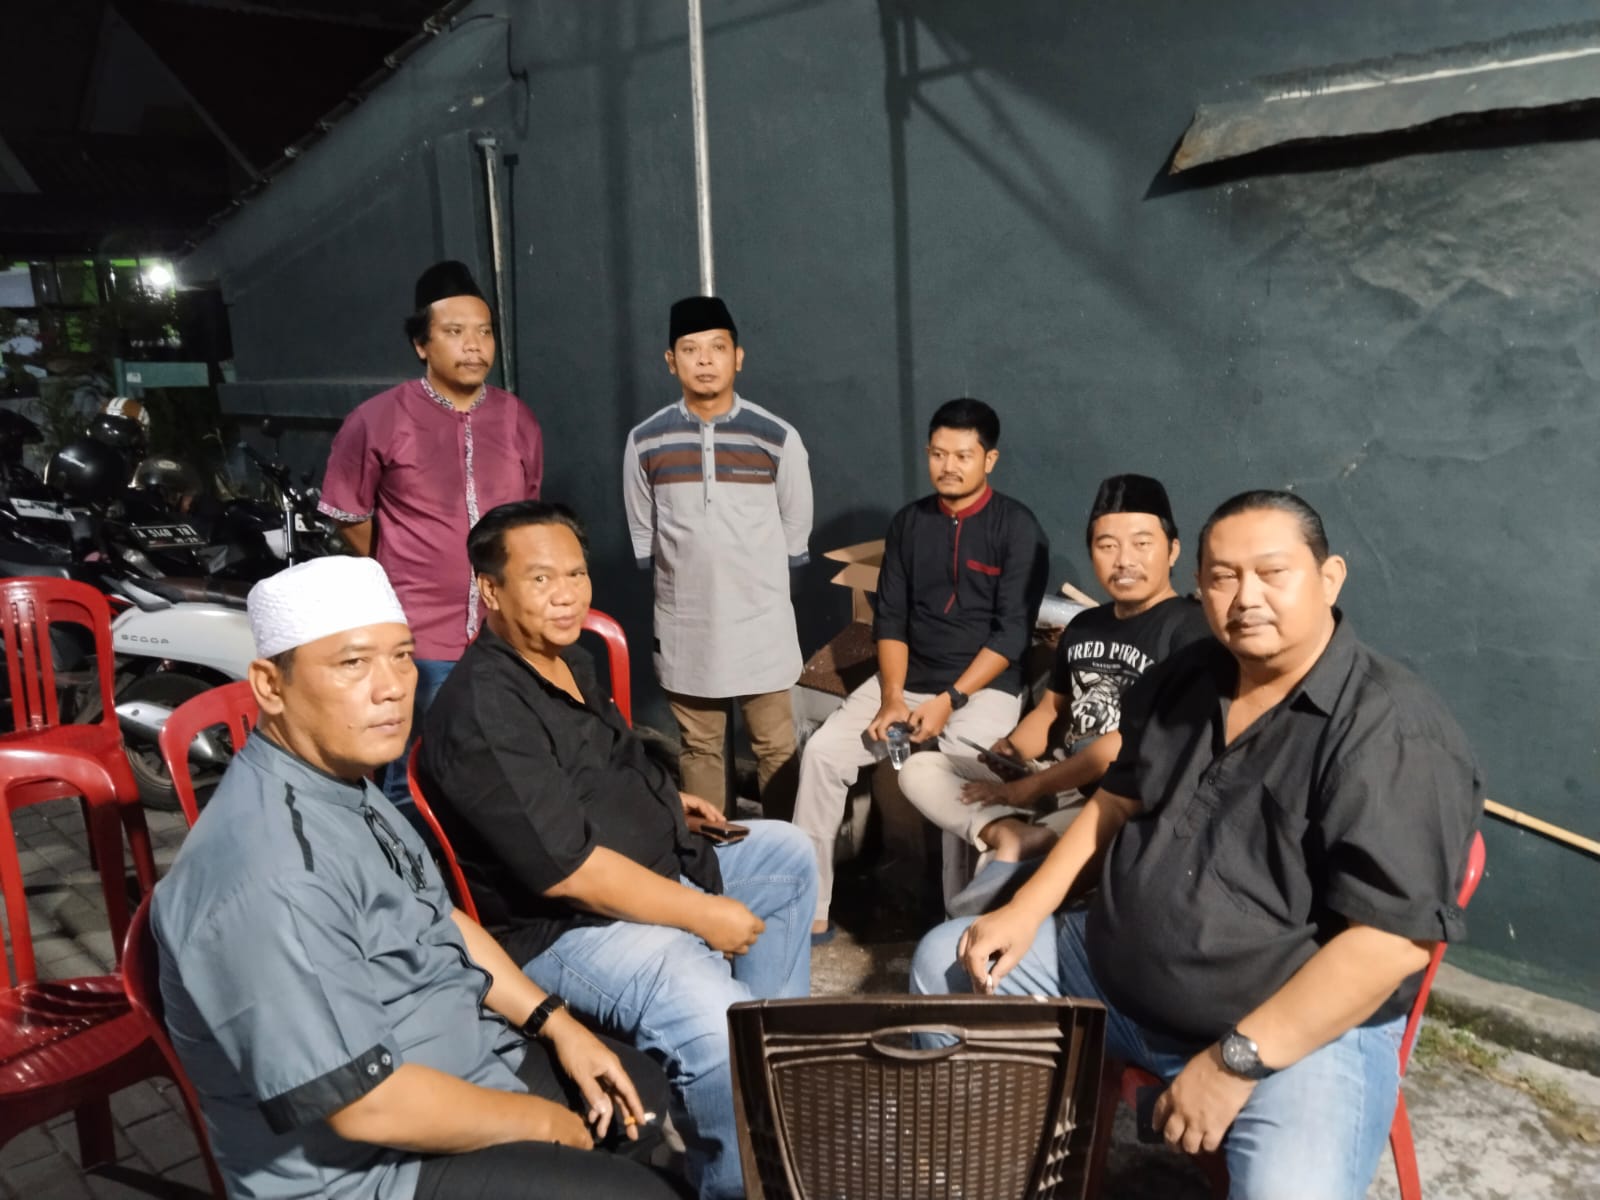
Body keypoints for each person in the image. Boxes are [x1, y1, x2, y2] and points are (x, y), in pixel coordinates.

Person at [911, 490, 1482, 1200]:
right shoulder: (1185, 676)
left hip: (1291, 1031)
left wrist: (1237, 1060)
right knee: (945, 961)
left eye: (1272, 573)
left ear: (1329, 578)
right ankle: (1003, 1168)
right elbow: (1115, 802)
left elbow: (1392, 943)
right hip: (1110, 972)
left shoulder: (1391, 730)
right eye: (1223, 577)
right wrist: (1026, 910)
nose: (1247, 598)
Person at [152, 556, 683, 1200]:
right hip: (371, 1168)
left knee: (639, 1095)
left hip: (464, 1057)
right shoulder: (269, 876)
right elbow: (366, 1106)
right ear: (270, 685)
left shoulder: (342, 779)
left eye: (402, 656)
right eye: (352, 663)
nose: (392, 688)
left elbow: (438, 917)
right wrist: (547, 1125)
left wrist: (558, 1024)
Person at [418, 501, 818, 1200]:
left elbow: (610, 761)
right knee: (713, 1022)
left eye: (575, 574)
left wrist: (667, 800)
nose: (566, 594)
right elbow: (568, 872)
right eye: (540, 579)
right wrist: (702, 916)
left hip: (653, 861)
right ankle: (735, 1165)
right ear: (491, 591)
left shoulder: (567, 659)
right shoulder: (484, 709)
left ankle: (768, 1076)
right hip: (568, 928)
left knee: (786, 854)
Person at [791, 397, 1049, 939]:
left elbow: (1011, 636)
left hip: (984, 688)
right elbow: (891, 620)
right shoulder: (909, 524)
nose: (948, 466)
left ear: (990, 459)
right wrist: (892, 698)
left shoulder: (1018, 528)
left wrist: (949, 701)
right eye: (937, 453)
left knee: (955, 770)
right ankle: (808, 912)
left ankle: (959, 923)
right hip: (907, 680)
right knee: (821, 754)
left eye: (963, 455)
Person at [898, 474, 1211, 913]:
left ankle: (1017, 858)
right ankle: (1011, 833)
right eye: (1107, 545)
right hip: (1053, 778)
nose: (1124, 560)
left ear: (1173, 550)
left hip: (1112, 802)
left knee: (988, 891)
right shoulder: (1084, 625)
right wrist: (1011, 751)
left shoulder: (1190, 630)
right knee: (921, 768)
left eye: (1142, 544)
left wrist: (1030, 788)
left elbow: (1127, 745)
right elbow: (1049, 711)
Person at [317, 260, 543, 806]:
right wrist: (404, 567)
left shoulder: (517, 419)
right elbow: (348, 513)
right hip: (418, 640)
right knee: (412, 779)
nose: (474, 346)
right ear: (422, 344)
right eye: (455, 332)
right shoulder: (377, 420)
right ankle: (409, 862)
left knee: (500, 773)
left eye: (484, 332)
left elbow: (527, 518)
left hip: (504, 634)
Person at [624, 296, 813, 814]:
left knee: (776, 748)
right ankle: (714, 852)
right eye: (690, 349)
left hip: (760, 625)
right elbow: (645, 530)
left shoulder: (777, 437)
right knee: (700, 748)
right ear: (671, 361)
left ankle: (785, 851)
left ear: (738, 357)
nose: (705, 360)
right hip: (687, 625)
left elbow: (795, 528)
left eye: (717, 348)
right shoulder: (645, 441)